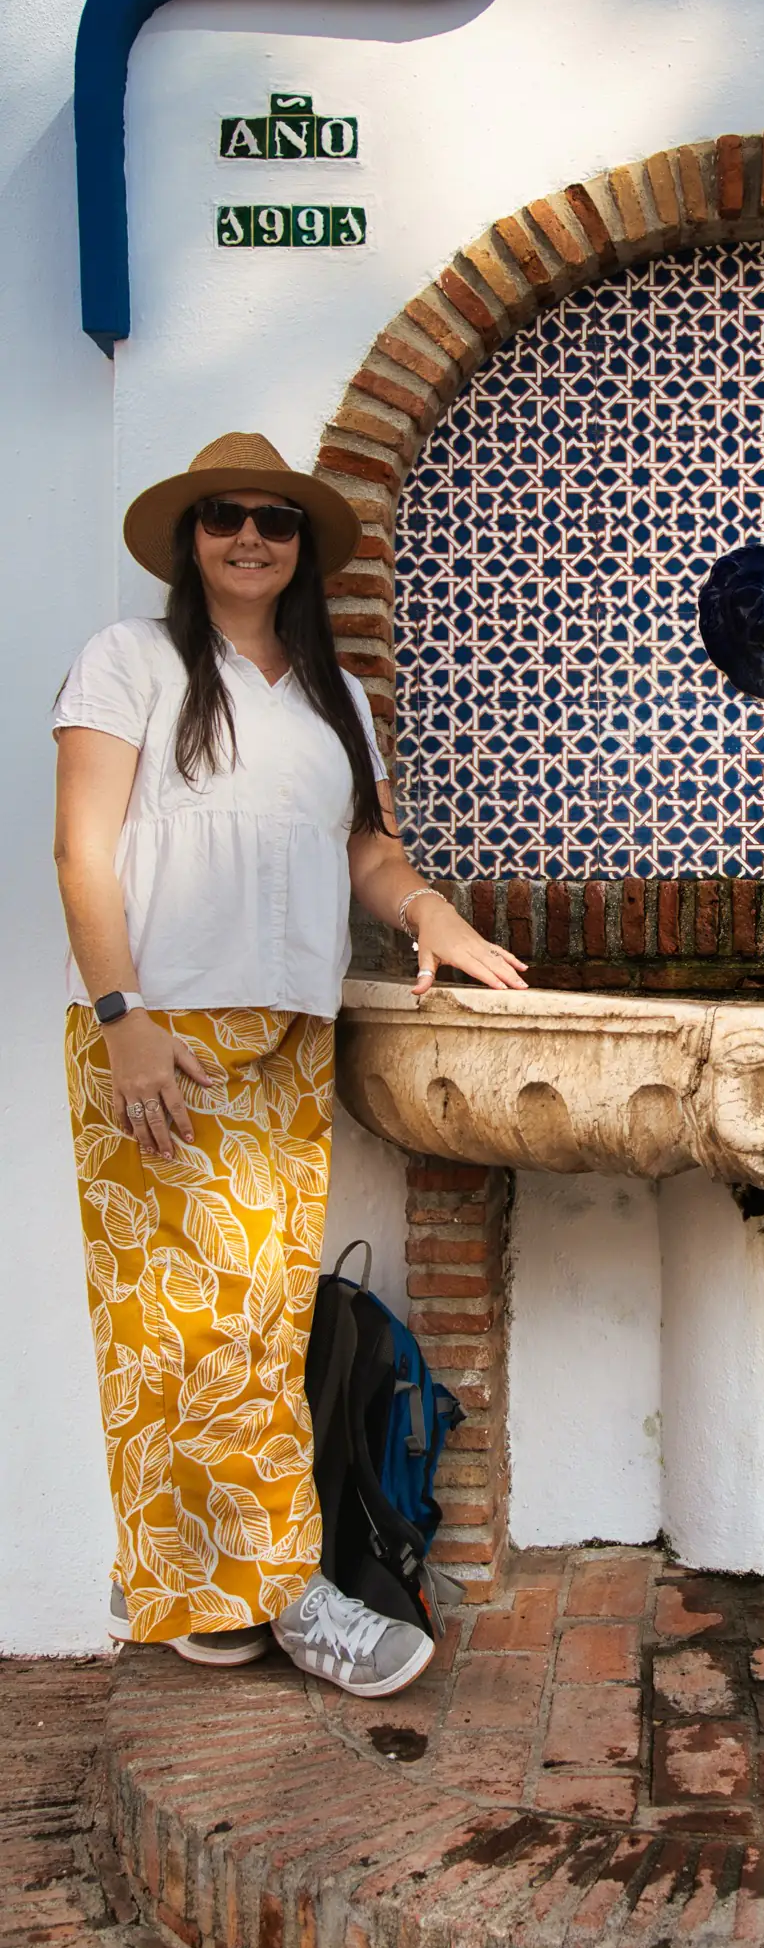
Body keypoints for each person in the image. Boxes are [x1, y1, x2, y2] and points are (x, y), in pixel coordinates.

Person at [52, 432, 526, 1697]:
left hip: (288, 1035)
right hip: (163, 1034)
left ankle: (194, 1588)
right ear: (187, 539)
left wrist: (434, 917)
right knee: (173, 1329)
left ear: (303, 545)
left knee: (251, 1324)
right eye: (223, 518)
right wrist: (121, 1014)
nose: (250, 537)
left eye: (274, 518)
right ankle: (288, 1591)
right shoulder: (132, 661)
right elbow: (82, 851)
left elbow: (364, 854)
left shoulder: (337, 697)